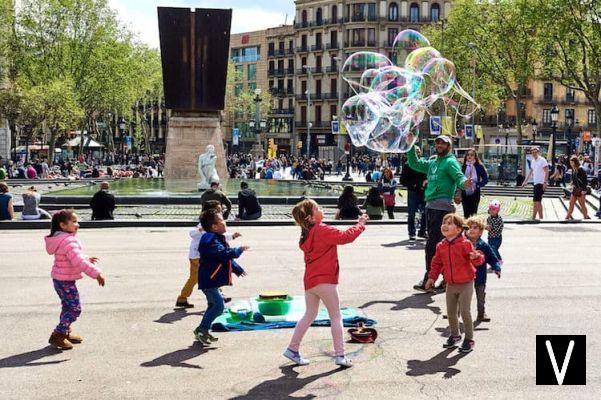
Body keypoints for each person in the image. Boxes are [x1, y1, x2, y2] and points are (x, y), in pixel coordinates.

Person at [284, 199, 367, 368]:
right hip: (325, 280)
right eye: (317, 208)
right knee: (336, 316)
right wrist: (361, 224)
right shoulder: (321, 229)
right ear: (311, 218)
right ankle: (340, 355)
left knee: (309, 315)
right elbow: (345, 237)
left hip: (311, 281)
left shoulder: (306, 234)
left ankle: (292, 349)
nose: (321, 210)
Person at [405, 134, 473, 292]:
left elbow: (458, 177)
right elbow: (414, 163)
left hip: (441, 208)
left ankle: (430, 279)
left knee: (432, 246)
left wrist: (464, 184)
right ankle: (444, 278)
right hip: (431, 206)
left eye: (443, 143)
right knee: (440, 245)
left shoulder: (450, 162)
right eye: (437, 143)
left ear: (449, 146)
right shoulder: (433, 162)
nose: (439, 146)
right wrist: (409, 146)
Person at [44, 209, 105, 350]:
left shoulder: (61, 239)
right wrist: (96, 273)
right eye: (74, 222)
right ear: (63, 225)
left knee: (67, 307)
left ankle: (66, 331)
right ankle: (58, 335)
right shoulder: (68, 241)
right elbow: (78, 262)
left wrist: (86, 258)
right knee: (74, 309)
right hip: (65, 281)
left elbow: (72, 257)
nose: (78, 224)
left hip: (59, 279)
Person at [425, 213, 484, 353]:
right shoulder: (441, 246)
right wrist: (432, 277)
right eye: (444, 222)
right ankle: (455, 335)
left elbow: (478, 258)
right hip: (450, 284)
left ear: (458, 229)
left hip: (466, 283)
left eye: (449, 223)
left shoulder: (465, 243)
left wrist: (476, 257)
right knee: (451, 312)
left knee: (464, 311)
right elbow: (437, 263)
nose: (445, 225)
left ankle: (469, 339)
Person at [194, 209, 248, 345]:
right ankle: (202, 330)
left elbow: (223, 258)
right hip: (209, 280)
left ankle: (202, 330)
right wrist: (238, 250)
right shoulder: (210, 238)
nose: (225, 222)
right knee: (218, 307)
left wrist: (237, 269)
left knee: (212, 305)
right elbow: (223, 253)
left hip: (211, 279)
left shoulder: (216, 238)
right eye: (222, 220)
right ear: (214, 226)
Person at [175, 201, 239, 308]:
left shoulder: (212, 223)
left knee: (212, 274)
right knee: (197, 277)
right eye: (218, 210)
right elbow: (192, 233)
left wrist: (232, 236)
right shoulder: (204, 224)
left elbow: (220, 235)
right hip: (197, 257)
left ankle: (219, 296)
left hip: (204, 256)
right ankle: (182, 298)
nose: (220, 212)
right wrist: (200, 230)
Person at [466, 216, 501, 322]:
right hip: (465, 277)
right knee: (462, 297)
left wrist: (497, 268)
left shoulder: (484, 245)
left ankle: (481, 313)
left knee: (480, 296)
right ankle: (455, 313)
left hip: (480, 276)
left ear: (481, 232)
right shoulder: (462, 244)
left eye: (475, 227)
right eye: (469, 227)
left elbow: (492, 258)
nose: (471, 229)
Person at [400, 147, 427, 241]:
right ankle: (411, 233)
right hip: (413, 192)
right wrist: (413, 185)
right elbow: (402, 180)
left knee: (425, 212)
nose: (418, 153)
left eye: (419, 152)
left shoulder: (424, 164)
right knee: (411, 213)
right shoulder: (407, 165)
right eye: (416, 152)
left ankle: (422, 231)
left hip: (423, 192)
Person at [521, 147, 548, 220]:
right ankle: (534, 217)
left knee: (537, 201)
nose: (534, 154)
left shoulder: (542, 160)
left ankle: (541, 218)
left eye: (535, 152)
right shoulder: (533, 161)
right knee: (536, 201)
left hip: (541, 183)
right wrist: (525, 181)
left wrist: (545, 182)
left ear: (538, 152)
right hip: (535, 183)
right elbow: (530, 172)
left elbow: (546, 171)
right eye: (533, 152)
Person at [460, 149, 488, 218]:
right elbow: (459, 178)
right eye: (468, 155)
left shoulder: (479, 166)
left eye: (472, 155)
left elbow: (485, 179)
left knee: (473, 213)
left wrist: (478, 184)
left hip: (475, 192)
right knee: (466, 213)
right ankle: (466, 228)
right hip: (465, 193)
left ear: (475, 156)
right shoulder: (463, 167)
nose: (469, 156)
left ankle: (473, 228)